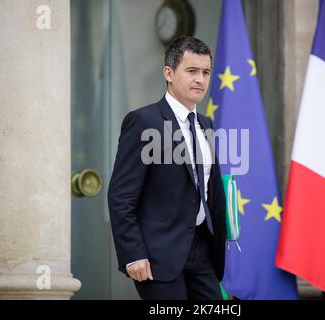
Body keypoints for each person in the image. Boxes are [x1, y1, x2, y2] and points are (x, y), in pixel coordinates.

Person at [107, 37, 226, 300]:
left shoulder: (206, 125)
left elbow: (208, 190)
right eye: (191, 71)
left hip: (202, 251)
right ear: (169, 73)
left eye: (205, 72)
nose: (200, 79)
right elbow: (121, 196)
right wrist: (133, 253)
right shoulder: (143, 122)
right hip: (157, 256)